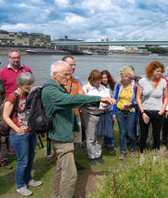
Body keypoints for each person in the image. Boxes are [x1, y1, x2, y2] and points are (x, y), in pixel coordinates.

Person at [41, 62, 115, 198]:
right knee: (70, 175)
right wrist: (99, 99)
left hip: (64, 134)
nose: (68, 78)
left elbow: (75, 100)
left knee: (60, 170)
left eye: (69, 75)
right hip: (61, 137)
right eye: (65, 75)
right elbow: (72, 99)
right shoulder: (50, 91)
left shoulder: (56, 87)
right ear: (55, 75)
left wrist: (98, 102)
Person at [3, 72, 42, 196]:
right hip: (19, 134)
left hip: (30, 131)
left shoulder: (28, 94)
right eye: (27, 85)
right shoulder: (13, 97)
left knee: (30, 158)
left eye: (31, 85)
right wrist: (17, 129)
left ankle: (28, 179)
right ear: (19, 84)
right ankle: (20, 185)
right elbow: (5, 116)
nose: (30, 87)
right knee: (23, 160)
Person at [0, 49, 33, 155]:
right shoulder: (3, 72)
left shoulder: (26, 69)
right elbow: (2, 88)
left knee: (23, 123)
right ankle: (13, 149)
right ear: (9, 58)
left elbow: (30, 83)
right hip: (11, 101)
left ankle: (21, 147)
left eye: (18, 57)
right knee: (10, 126)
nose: (16, 60)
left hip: (24, 102)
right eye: (14, 58)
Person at [136, 61, 168, 161]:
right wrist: (142, 112)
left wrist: (162, 110)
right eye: (158, 71)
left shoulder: (163, 82)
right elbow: (138, 97)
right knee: (143, 135)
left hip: (158, 113)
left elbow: (166, 97)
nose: (160, 73)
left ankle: (155, 156)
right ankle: (142, 155)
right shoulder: (143, 81)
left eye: (161, 71)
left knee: (156, 135)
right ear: (151, 70)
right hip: (145, 112)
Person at [83, 70, 111, 165]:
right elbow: (84, 103)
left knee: (100, 136)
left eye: (100, 80)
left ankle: (98, 155)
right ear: (91, 79)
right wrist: (96, 107)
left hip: (102, 115)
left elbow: (108, 99)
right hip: (91, 116)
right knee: (91, 137)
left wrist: (107, 104)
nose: (99, 82)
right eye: (96, 80)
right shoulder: (86, 89)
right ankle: (91, 156)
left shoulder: (103, 88)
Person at [63, 55, 85, 171]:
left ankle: (72, 162)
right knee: (66, 142)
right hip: (64, 117)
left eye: (74, 65)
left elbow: (82, 95)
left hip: (76, 115)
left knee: (76, 141)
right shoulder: (58, 81)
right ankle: (66, 164)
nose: (74, 67)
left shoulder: (75, 80)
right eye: (71, 65)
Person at [112, 67, 138, 160]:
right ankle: (123, 152)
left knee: (130, 133)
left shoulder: (135, 86)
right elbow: (115, 99)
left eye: (126, 76)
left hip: (130, 113)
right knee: (122, 133)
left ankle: (133, 149)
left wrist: (132, 103)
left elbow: (139, 99)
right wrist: (113, 112)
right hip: (120, 112)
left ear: (130, 76)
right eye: (122, 76)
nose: (124, 78)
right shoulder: (118, 85)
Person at [101, 70, 116, 153]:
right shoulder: (99, 86)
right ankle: (105, 143)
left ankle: (111, 145)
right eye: (102, 78)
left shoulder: (113, 86)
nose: (104, 79)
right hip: (102, 110)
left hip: (110, 110)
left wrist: (114, 112)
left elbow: (116, 99)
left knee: (110, 128)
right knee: (103, 128)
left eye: (106, 77)